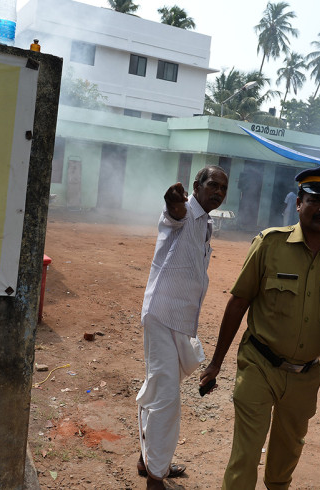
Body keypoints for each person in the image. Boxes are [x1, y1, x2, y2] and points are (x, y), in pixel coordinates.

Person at [200, 166, 320, 489]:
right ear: (299, 202)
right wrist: (216, 362)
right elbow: (238, 303)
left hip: (306, 376)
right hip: (259, 364)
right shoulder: (269, 244)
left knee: (284, 464)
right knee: (245, 457)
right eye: (316, 200)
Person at [136, 166, 229, 490]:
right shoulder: (185, 211)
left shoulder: (207, 223)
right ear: (196, 186)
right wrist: (174, 204)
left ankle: (148, 459)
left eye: (223, 188)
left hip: (180, 320)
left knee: (160, 389)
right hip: (162, 316)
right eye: (213, 185)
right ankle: (155, 478)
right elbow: (173, 216)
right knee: (166, 399)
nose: (218, 192)